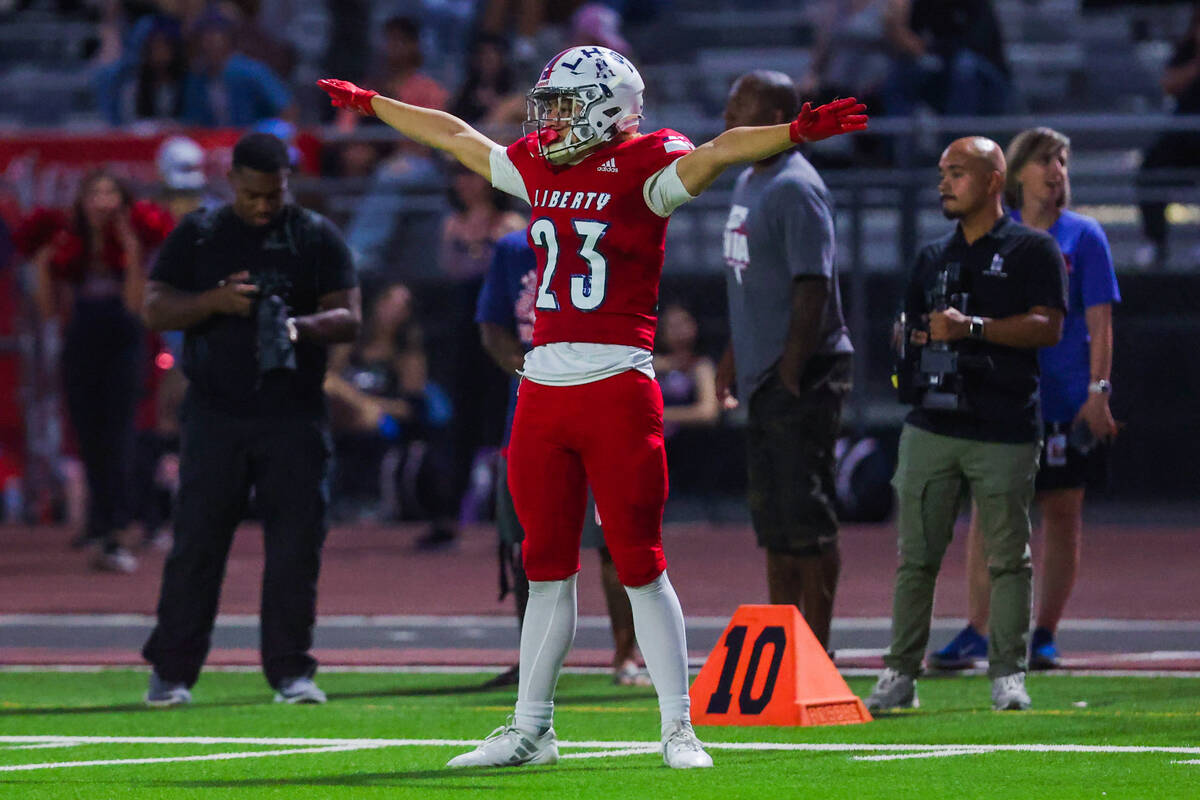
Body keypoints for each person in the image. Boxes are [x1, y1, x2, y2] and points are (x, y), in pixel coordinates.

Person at [319, 43, 866, 769]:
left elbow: (722, 149)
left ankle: (678, 727)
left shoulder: (649, 161)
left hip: (616, 383)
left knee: (640, 561)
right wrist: (370, 104)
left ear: (610, 108)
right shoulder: (542, 162)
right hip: (543, 386)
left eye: (564, 105)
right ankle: (531, 728)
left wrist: (793, 134)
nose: (549, 121)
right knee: (543, 565)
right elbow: (453, 134)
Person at [139, 132, 360, 707]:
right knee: (197, 544)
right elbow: (155, 305)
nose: (265, 205)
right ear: (233, 180)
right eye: (255, 193)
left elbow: (350, 316)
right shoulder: (201, 233)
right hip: (216, 412)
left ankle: (291, 672)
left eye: (275, 192)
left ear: (288, 181)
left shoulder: (313, 234)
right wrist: (215, 301)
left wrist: (299, 327)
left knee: (296, 546)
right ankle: (172, 671)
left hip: (293, 411)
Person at [865, 137, 1066, 714]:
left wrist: (970, 328)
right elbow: (905, 327)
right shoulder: (931, 256)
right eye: (941, 174)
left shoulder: (1033, 250)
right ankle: (900, 673)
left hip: (1003, 422)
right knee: (916, 557)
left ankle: (1008, 673)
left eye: (957, 173)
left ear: (993, 180)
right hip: (932, 421)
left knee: (1008, 556)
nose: (943, 184)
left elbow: (1047, 327)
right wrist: (913, 345)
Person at [929, 127, 1120, 672]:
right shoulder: (996, 236)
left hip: (1063, 395)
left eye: (1061, 159)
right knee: (989, 513)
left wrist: (1097, 391)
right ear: (1015, 174)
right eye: (1043, 160)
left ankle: (1044, 632)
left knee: (1062, 513)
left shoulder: (1084, 237)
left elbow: (1102, 323)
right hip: (1002, 393)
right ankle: (980, 627)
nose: (1055, 169)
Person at [715, 71, 854, 655]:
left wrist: (791, 370)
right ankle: (784, 648)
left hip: (800, 375)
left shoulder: (796, 187)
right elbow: (751, 282)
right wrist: (732, 355)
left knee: (807, 517)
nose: (726, 120)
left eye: (739, 109)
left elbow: (811, 287)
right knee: (773, 522)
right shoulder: (750, 177)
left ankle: (815, 653)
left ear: (776, 115)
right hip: (764, 373)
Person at [476, 229, 651, 689]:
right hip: (534, 409)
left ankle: (627, 653)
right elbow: (493, 326)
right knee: (529, 543)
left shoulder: (606, 226)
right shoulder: (515, 248)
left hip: (600, 400)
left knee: (620, 540)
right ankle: (531, 659)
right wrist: (529, 371)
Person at [22, 172, 173, 572]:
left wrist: (129, 247)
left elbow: (134, 306)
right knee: (87, 438)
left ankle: (119, 526)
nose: (102, 202)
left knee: (120, 435)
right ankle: (98, 520)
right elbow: (50, 309)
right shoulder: (69, 245)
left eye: (110, 193)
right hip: (81, 345)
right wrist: (42, 260)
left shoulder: (134, 241)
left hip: (125, 344)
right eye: (94, 193)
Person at [1136, 3, 1200, 270]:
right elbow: (1168, 84)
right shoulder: (1188, 51)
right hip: (1184, 134)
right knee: (1150, 168)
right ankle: (1156, 242)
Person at [883, 0, 1011, 117]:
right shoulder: (926, 3)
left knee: (964, 66)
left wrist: (937, 48)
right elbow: (915, 35)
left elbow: (977, 41)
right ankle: (900, 138)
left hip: (987, 73)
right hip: (943, 63)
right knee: (900, 74)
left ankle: (959, 137)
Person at [180, 12, 294, 127]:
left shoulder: (251, 71)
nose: (209, 47)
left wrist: (272, 135)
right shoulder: (196, 77)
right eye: (204, 41)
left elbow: (287, 109)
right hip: (214, 141)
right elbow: (192, 121)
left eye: (214, 40)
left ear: (228, 41)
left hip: (252, 139)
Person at [655, 303, 719, 499]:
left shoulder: (701, 366)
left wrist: (661, 415)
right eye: (672, 326)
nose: (679, 331)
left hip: (688, 453)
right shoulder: (648, 363)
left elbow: (708, 413)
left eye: (684, 323)